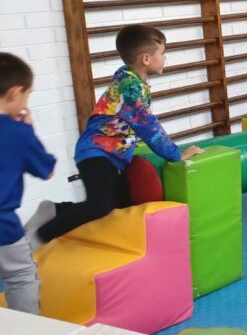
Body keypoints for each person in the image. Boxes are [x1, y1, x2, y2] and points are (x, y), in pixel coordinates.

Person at [27, 25, 203, 247]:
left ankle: (54, 209)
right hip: (95, 153)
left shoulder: (130, 78)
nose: (165, 57)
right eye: (162, 53)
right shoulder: (131, 87)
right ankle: (40, 237)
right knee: (99, 205)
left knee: (119, 204)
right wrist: (176, 155)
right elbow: (148, 127)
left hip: (111, 156)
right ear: (146, 58)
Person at [0, 52, 56, 314]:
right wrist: (28, 130)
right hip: (3, 227)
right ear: (15, 93)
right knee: (21, 275)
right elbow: (47, 170)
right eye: (27, 94)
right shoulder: (17, 132)